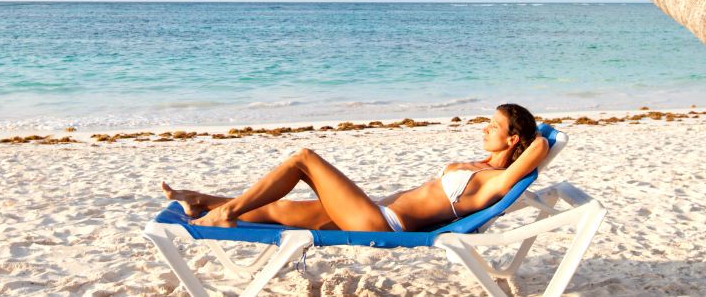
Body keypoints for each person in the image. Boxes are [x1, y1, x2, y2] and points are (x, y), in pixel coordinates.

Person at [161, 103, 547, 233]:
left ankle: (226, 212)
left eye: (494, 126)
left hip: (381, 223)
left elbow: (540, 144)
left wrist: (539, 136)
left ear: (513, 140)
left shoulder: (495, 181)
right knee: (281, 210)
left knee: (304, 158)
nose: (485, 128)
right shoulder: (478, 165)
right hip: (374, 209)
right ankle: (204, 203)